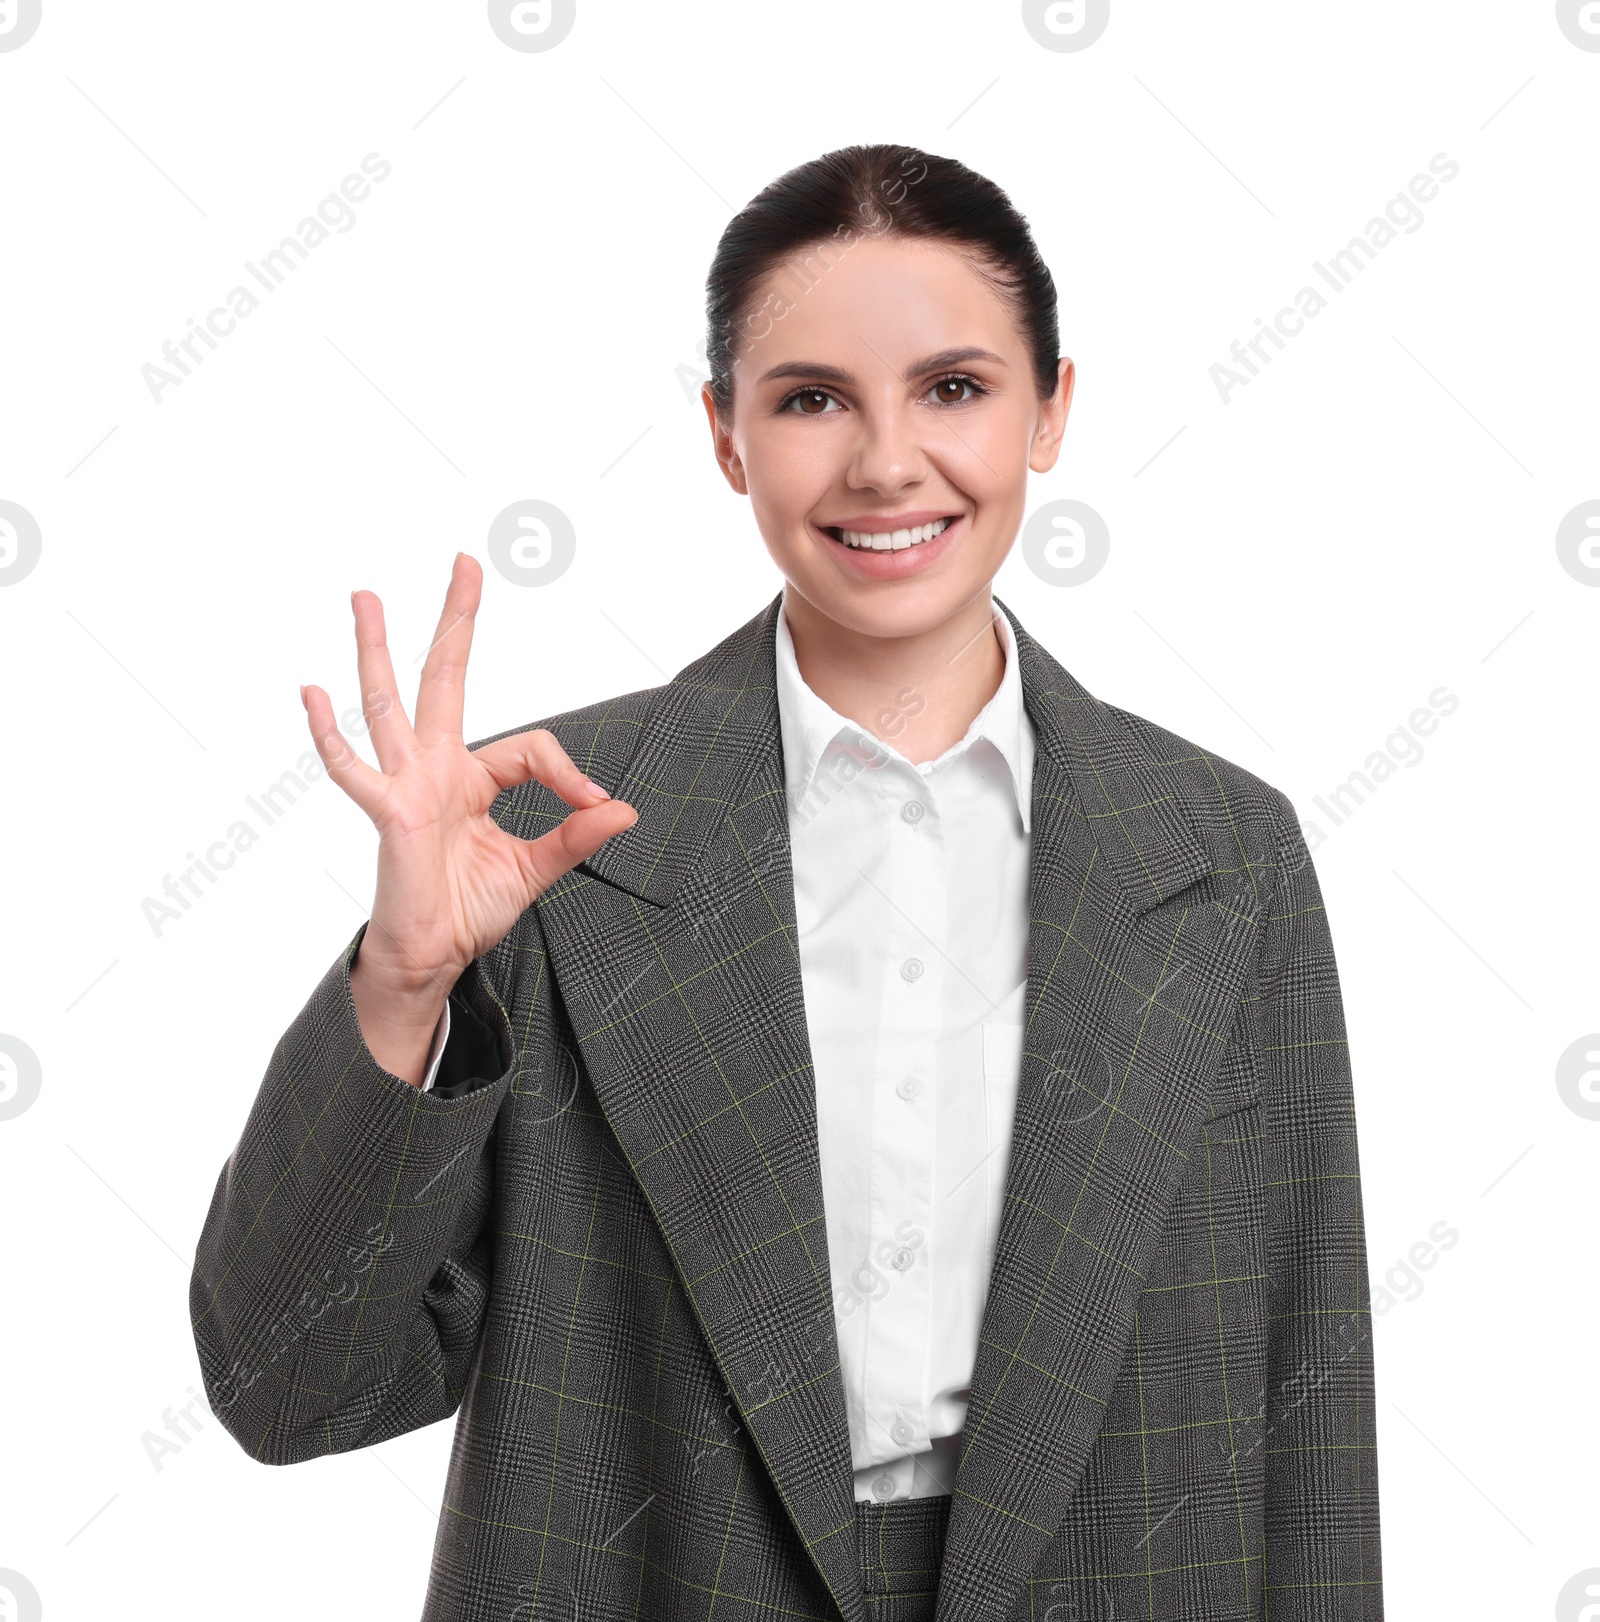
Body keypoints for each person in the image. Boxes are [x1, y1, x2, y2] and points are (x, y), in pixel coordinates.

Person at [190, 143, 1381, 1622]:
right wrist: (406, 977)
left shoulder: (1220, 853)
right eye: (811, 398)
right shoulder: (549, 832)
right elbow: (286, 1385)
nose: (887, 461)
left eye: (955, 388)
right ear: (725, 434)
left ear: (1053, 411)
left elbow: (1306, 1406)